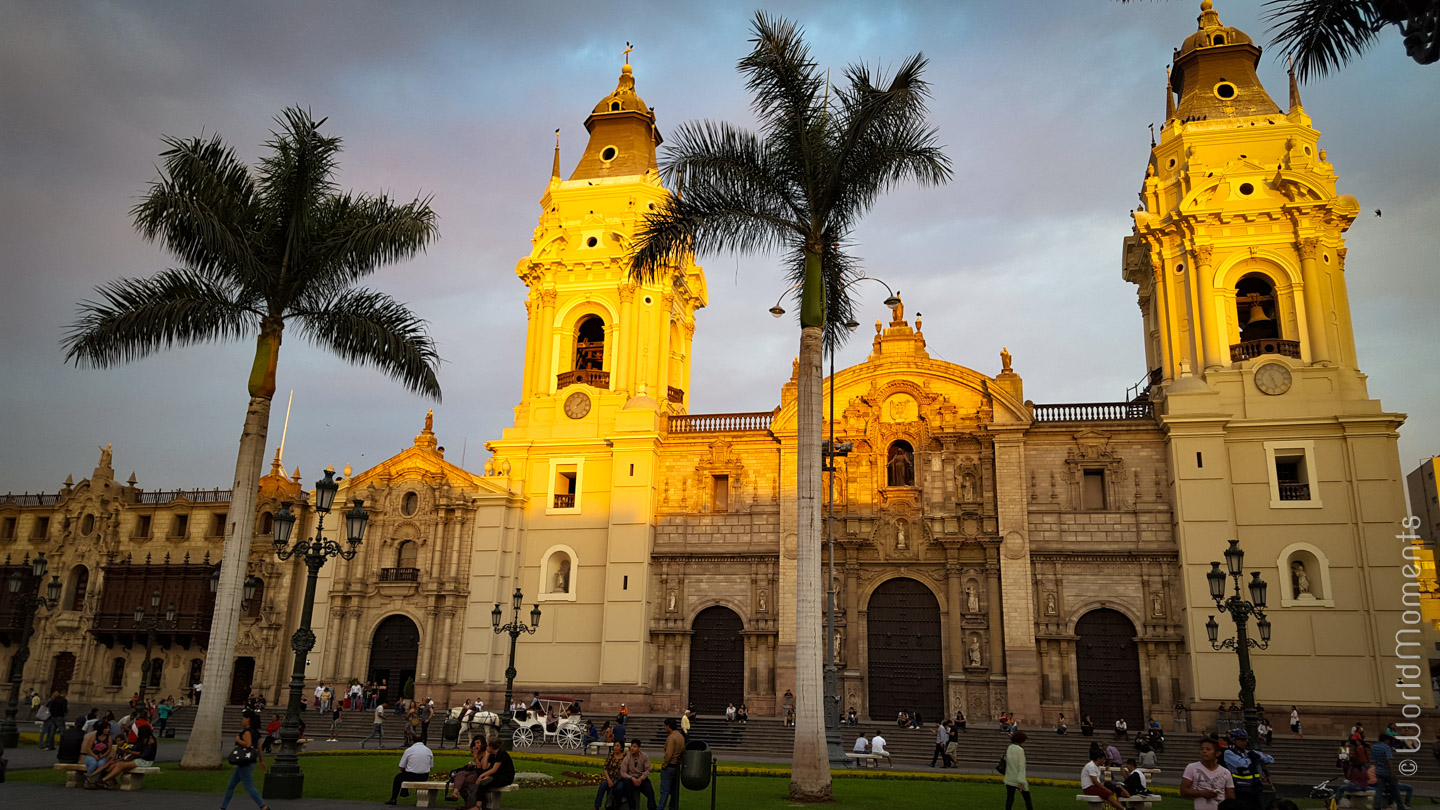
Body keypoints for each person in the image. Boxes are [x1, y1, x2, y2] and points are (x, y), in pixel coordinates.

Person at [220, 711, 269, 810]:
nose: (242, 720)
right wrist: (261, 760)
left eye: (243, 718)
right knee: (231, 785)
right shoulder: (255, 732)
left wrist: (238, 740)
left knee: (249, 786)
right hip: (249, 761)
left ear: (248, 720)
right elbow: (259, 747)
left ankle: (263, 806)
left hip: (245, 762)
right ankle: (223, 807)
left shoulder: (247, 731)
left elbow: (247, 744)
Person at [88, 724, 158, 790]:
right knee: (114, 764)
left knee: (120, 765)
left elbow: (143, 754)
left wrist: (129, 752)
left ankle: (103, 780)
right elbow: (134, 749)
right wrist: (128, 750)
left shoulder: (150, 741)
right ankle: (110, 781)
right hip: (136, 758)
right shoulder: (141, 739)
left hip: (145, 760)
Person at [1222, 729, 1273, 810]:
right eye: (1241, 740)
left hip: (1254, 788)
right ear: (1234, 740)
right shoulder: (1229, 753)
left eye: (1245, 740)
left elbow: (1270, 759)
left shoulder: (1249, 752)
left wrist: (1259, 756)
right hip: (1239, 789)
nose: (1244, 742)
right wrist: (1252, 758)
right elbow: (1241, 764)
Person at [1181, 738, 1235, 810]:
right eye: (1202, 749)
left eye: (1208, 749)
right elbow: (1183, 791)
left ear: (1217, 753)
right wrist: (1202, 793)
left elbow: (1231, 798)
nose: (1204, 751)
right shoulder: (1192, 768)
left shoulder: (1225, 772)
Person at [464, 738, 515, 810]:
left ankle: (478, 806)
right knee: (483, 783)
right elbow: (484, 768)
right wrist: (487, 756)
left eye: (487, 746)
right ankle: (482, 805)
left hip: (505, 777)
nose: (486, 747)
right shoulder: (492, 755)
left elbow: (494, 769)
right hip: (497, 776)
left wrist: (481, 776)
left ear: (491, 747)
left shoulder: (502, 754)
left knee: (483, 784)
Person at [386, 738, 434, 805]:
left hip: (411, 776)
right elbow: (431, 766)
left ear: (412, 741)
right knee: (405, 774)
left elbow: (401, 767)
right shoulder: (429, 750)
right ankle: (404, 791)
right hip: (424, 776)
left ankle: (394, 798)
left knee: (398, 778)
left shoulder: (409, 750)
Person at [1081, 745, 1127, 810]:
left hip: (1094, 787)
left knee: (1113, 788)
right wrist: (1106, 789)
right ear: (1099, 759)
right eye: (1103, 759)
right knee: (1107, 793)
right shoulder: (1091, 766)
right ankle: (1123, 808)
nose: (1104, 761)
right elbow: (1095, 782)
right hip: (1089, 788)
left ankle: (1120, 806)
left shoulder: (1097, 767)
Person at [1370, 732, 1405, 810]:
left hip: (1378, 771)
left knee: (1379, 789)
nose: (1389, 742)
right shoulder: (1386, 748)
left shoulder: (1374, 747)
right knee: (1395, 788)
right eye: (1388, 740)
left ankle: (1377, 805)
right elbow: (1389, 761)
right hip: (1387, 771)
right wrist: (1393, 773)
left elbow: (1373, 759)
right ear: (1385, 740)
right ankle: (1400, 806)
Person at [622, 740, 658, 810]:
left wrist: (641, 778)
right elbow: (623, 772)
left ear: (639, 748)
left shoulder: (644, 756)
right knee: (628, 789)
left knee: (650, 792)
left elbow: (648, 770)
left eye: (634, 747)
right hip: (631, 778)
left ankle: (652, 808)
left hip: (642, 778)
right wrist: (632, 778)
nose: (632, 748)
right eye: (631, 746)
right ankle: (632, 807)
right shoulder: (627, 757)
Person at [657, 718, 685, 810]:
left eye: (665, 726)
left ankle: (660, 808)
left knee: (664, 791)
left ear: (668, 726)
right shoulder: (681, 737)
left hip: (669, 766)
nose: (665, 728)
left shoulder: (671, 737)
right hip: (676, 766)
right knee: (674, 791)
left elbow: (669, 753)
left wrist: (664, 764)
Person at [1003, 730, 1032, 810]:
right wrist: (1021, 781)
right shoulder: (1020, 750)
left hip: (1009, 778)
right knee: (1027, 799)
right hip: (1019, 781)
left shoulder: (1009, 748)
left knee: (1010, 799)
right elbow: (1021, 767)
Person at [594, 740, 626, 810]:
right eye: (614, 745)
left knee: (619, 788)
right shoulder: (610, 755)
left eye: (617, 746)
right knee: (602, 785)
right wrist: (608, 780)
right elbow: (605, 769)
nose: (615, 747)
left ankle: (615, 806)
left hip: (620, 779)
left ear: (621, 748)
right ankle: (597, 806)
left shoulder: (625, 757)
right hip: (610, 778)